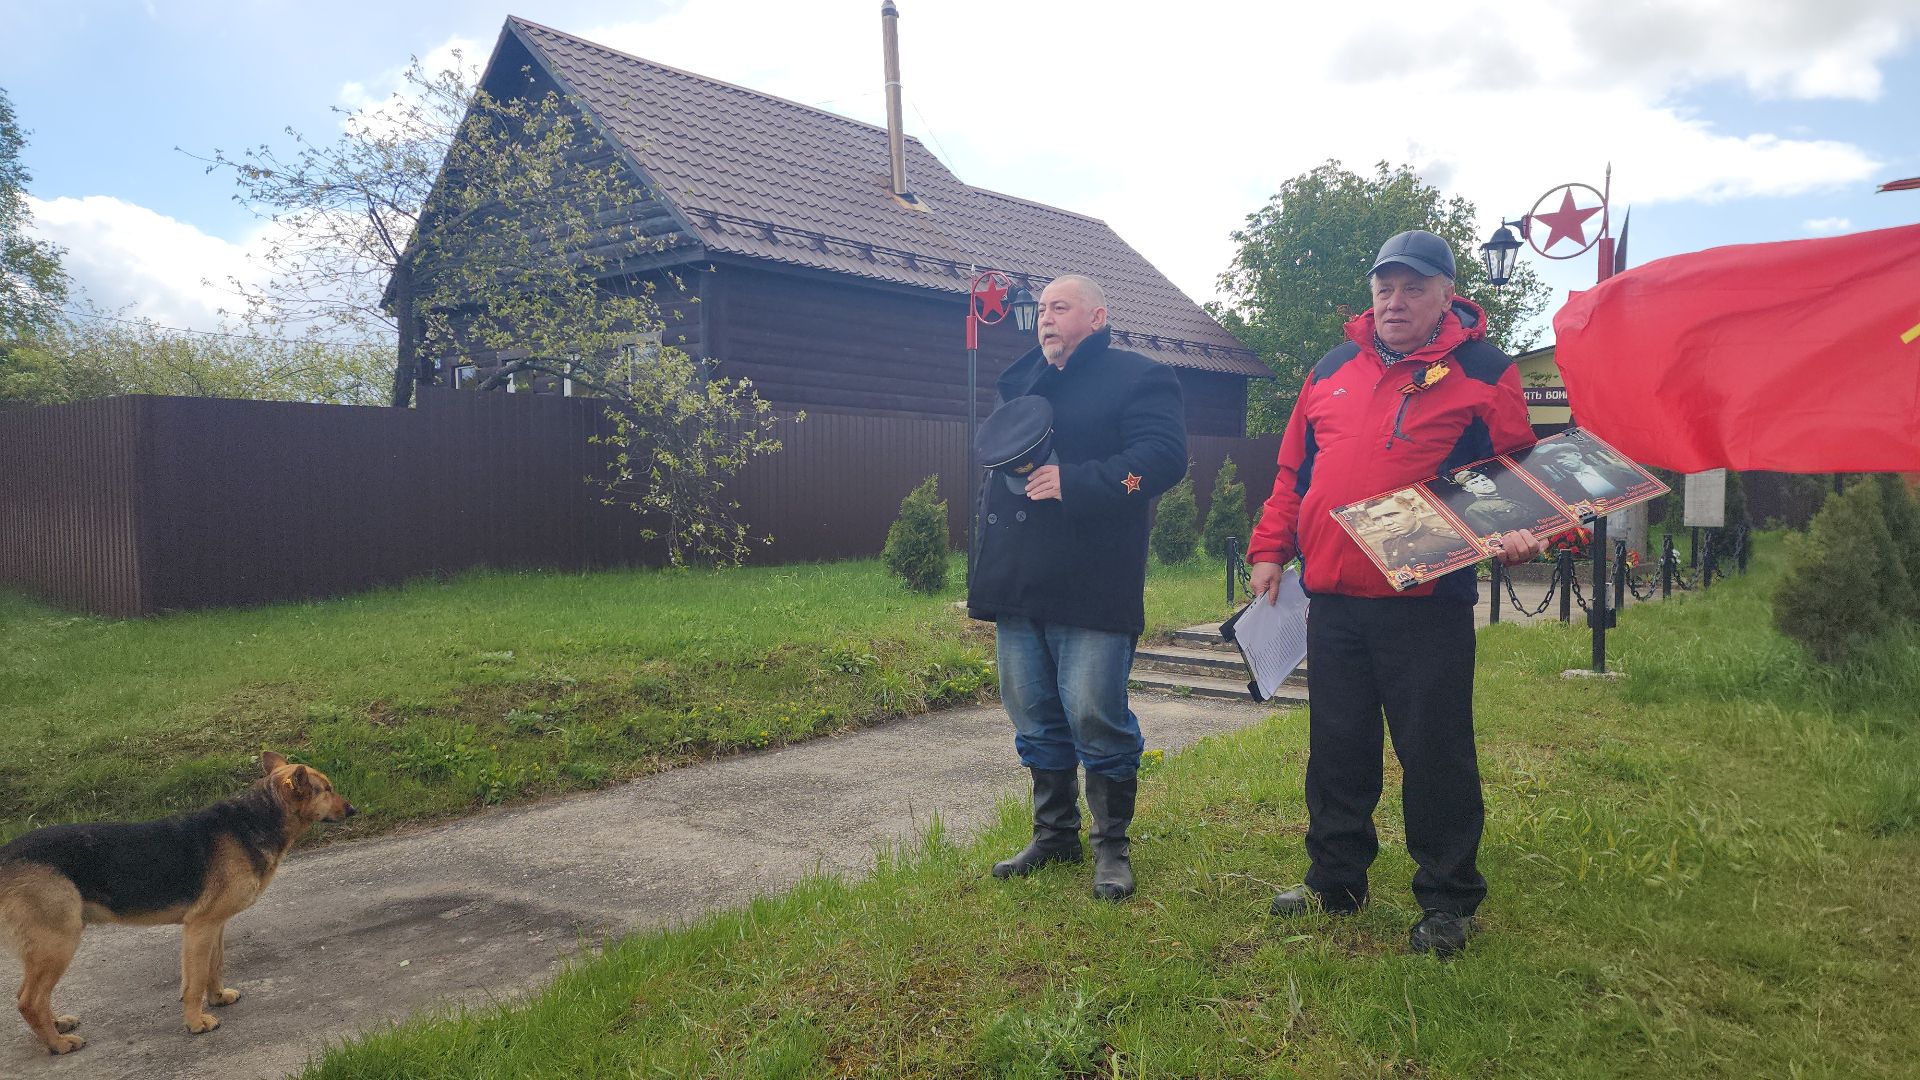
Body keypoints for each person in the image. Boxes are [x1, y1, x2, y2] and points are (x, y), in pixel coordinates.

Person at [1245, 230, 1547, 956]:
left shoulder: (1483, 369)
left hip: (1426, 602)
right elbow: (1294, 476)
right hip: (1335, 600)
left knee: (1435, 753)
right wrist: (1268, 550)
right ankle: (1335, 881)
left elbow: (1521, 476)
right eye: (1385, 286)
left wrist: (1525, 532)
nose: (1396, 300)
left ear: (1448, 293)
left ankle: (1448, 900)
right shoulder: (1331, 369)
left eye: (1414, 287)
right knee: (1337, 748)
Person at [966, 274, 1188, 901]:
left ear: (1097, 316)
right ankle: (1053, 832)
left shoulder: (1138, 376)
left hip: (1094, 577)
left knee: (1093, 711)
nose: (1046, 318)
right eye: (1041, 310)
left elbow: (1162, 462)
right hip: (1019, 574)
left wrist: (1082, 483)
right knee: (1031, 710)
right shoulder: (1024, 378)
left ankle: (1111, 848)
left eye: (1060, 307)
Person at [1365, 495, 1467, 571]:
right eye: (1377, 519)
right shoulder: (1389, 545)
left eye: (1392, 515)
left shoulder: (1450, 538)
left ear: (1414, 512)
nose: (1386, 523)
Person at [1445, 467, 1543, 537]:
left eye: (1484, 479)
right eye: (1475, 483)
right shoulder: (1475, 509)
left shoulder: (1506, 498)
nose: (1483, 483)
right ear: (1467, 489)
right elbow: (1497, 535)